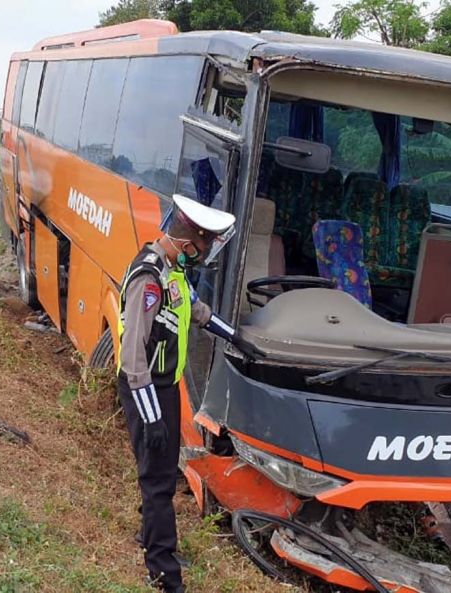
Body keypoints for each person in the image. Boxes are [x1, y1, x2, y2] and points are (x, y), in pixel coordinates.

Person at [118, 195, 265, 593]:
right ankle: (163, 572)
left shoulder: (174, 272)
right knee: (158, 482)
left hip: (164, 387)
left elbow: (196, 311)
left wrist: (237, 337)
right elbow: (132, 358)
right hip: (145, 388)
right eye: (202, 247)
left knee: (162, 473)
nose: (203, 255)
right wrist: (151, 418)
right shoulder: (149, 279)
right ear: (185, 244)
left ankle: (150, 536)